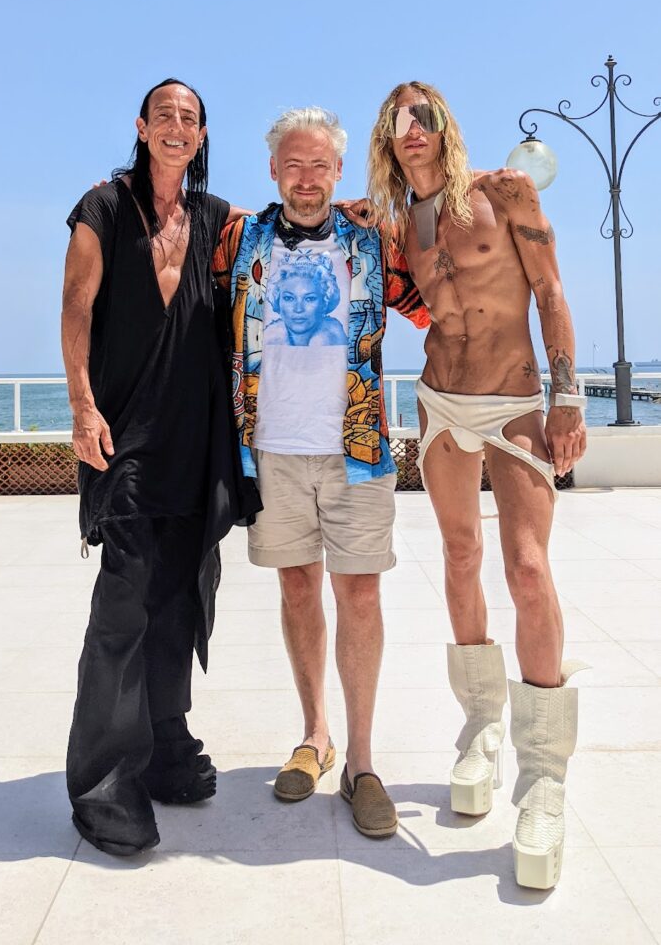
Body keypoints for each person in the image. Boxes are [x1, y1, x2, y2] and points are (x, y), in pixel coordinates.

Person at [367, 81, 587, 888]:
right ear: (387, 141)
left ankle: (543, 776)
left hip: (516, 400)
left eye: (422, 117)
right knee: (459, 558)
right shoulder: (398, 223)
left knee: (526, 569)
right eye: (396, 123)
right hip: (438, 402)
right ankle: (481, 728)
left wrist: (566, 398)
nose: (410, 130)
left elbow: (553, 295)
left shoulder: (505, 193)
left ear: (443, 127)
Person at [213, 107, 429, 838]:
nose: (306, 179)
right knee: (297, 586)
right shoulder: (239, 239)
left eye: (319, 167)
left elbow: (433, 304)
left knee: (359, 596)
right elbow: (166, 258)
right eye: (293, 165)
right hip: (267, 447)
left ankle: (362, 763)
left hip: (357, 448)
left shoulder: (372, 235)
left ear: (338, 172)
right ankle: (315, 736)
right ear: (274, 170)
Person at [61, 78, 260, 856]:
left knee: (183, 596)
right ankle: (104, 780)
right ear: (142, 129)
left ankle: (164, 745)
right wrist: (80, 404)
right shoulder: (103, 209)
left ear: (203, 136)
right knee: (124, 604)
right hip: (125, 438)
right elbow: (77, 306)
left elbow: (287, 234)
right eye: (165, 116)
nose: (177, 127)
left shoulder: (215, 221)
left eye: (191, 118)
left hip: (199, 440)